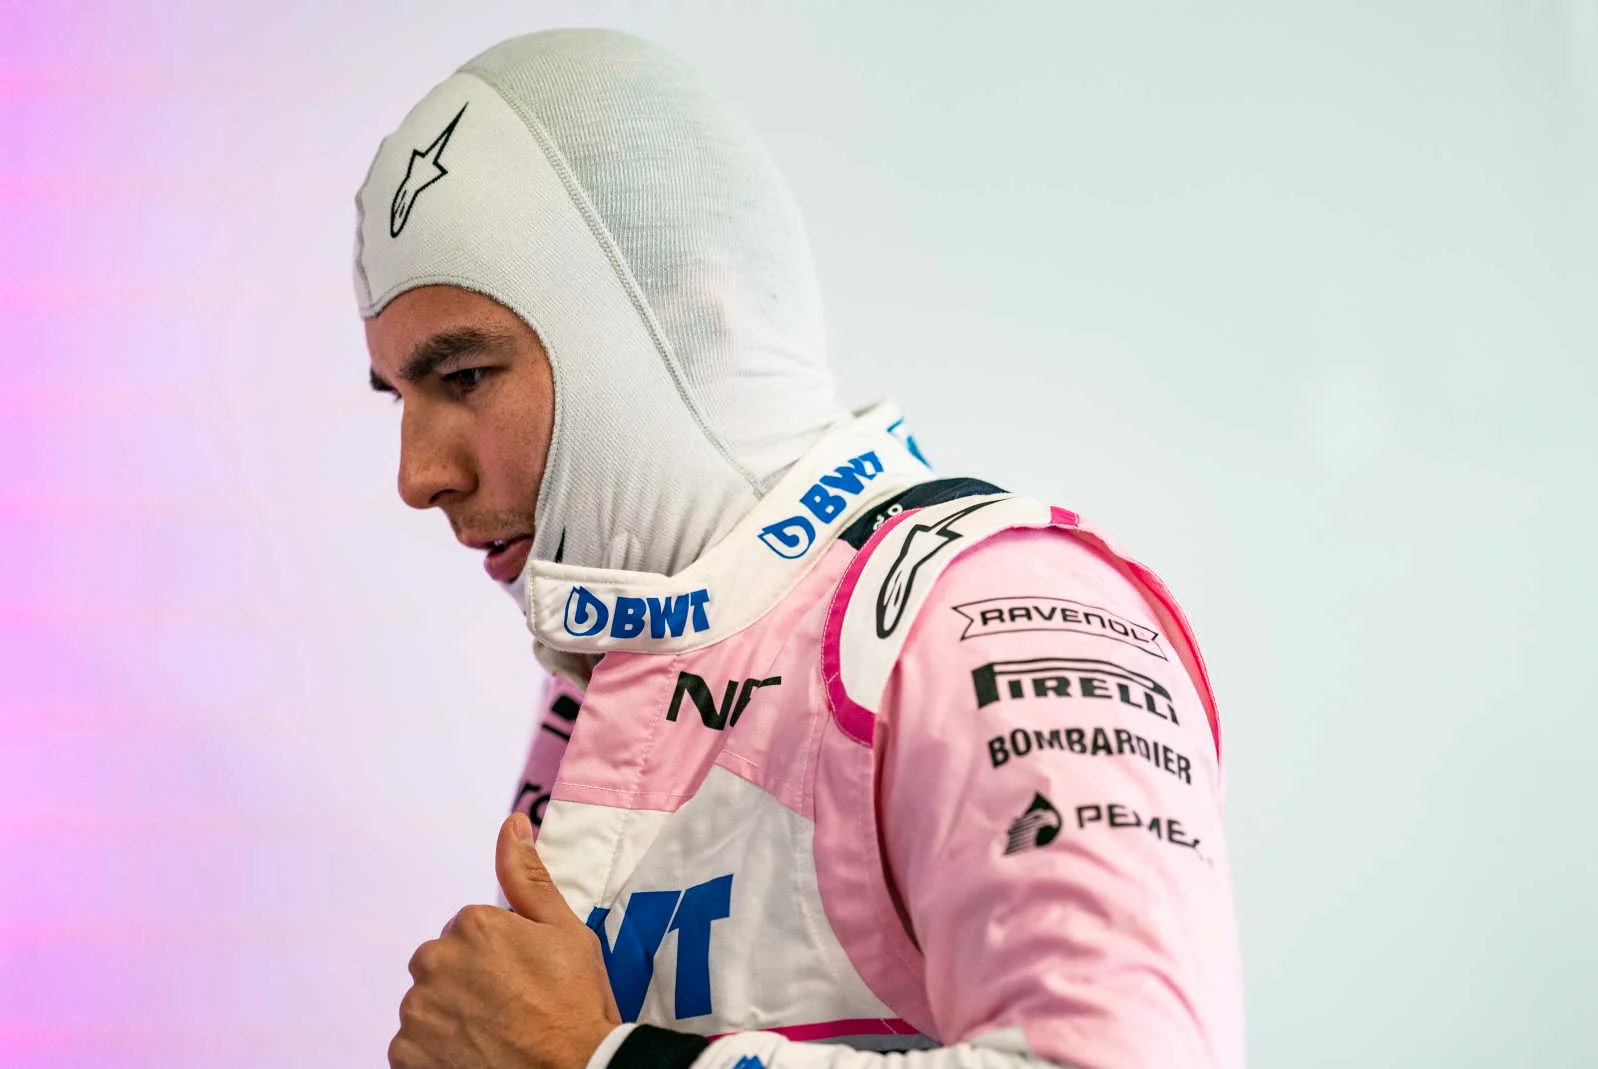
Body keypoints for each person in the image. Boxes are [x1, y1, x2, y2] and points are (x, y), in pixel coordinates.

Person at [355, 28, 1241, 1069]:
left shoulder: (982, 612)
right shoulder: (627, 658)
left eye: (463, 377)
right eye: (398, 396)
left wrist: (592, 1058)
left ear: (684, 325)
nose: (418, 474)